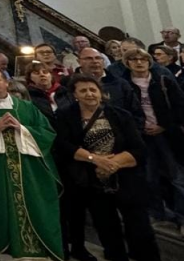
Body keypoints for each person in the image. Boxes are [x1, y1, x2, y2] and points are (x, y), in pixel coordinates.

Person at [53, 74, 161, 261]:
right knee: (107, 229)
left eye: (93, 90)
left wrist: (111, 164)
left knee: (140, 228)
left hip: (126, 180)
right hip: (92, 183)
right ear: (75, 94)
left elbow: (138, 149)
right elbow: (64, 146)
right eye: (83, 90)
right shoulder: (64, 116)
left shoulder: (120, 114)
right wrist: (94, 159)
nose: (89, 94)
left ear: (100, 92)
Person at [0, 67, 63, 261]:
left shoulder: (25, 107)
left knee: (37, 209)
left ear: (6, 82)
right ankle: (10, 255)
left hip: (30, 172)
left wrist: (22, 129)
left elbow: (47, 133)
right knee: (2, 211)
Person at [122, 48, 184, 239]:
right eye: (134, 59)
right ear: (127, 63)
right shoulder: (123, 83)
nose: (139, 63)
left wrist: (163, 125)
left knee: (178, 177)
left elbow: (181, 106)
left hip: (168, 135)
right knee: (149, 176)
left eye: (143, 59)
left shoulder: (163, 80)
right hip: (141, 136)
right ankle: (157, 212)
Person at [74, 48, 143, 126]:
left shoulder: (120, 83)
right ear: (79, 61)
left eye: (98, 58)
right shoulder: (70, 84)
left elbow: (136, 112)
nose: (95, 61)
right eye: (89, 58)